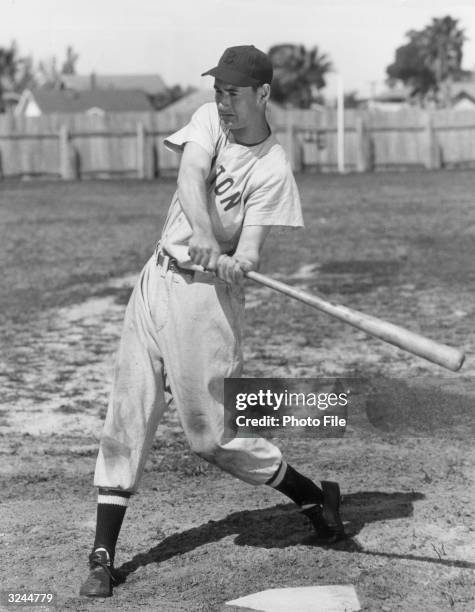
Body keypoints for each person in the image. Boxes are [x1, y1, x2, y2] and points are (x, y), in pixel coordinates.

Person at [79, 44, 344, 599]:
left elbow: (250, 250)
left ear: (263, 94)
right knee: (128, 408)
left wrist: (236, 261)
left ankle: (313, 494)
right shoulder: (208, 120)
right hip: (157, 278)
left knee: (212, 438)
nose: (223, 101)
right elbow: (189, 178)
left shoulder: (273, 167)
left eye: (235, 92)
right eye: (219, 90)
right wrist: (201, 232)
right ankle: (102, 554)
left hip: (206, 303)